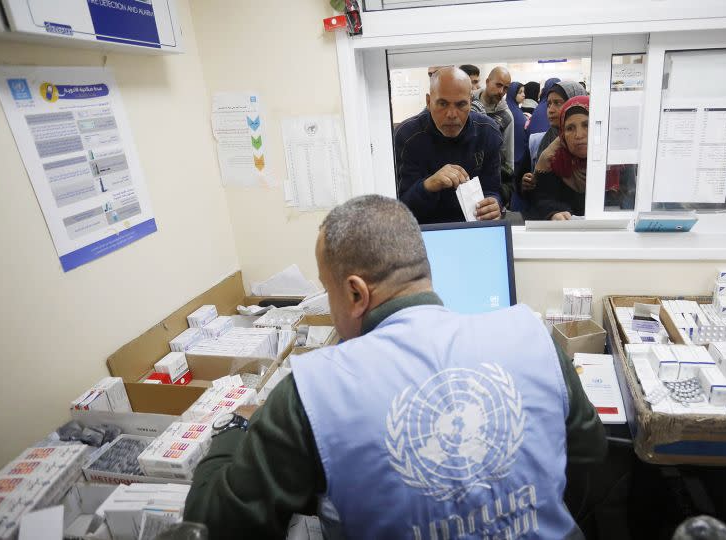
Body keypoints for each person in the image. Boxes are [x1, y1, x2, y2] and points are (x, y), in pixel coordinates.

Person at [183, 195, 610, 539]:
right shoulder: (532, 336)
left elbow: (215, 525)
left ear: (355, 294)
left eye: (327, 291)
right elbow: (590, 452)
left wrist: (235, 430)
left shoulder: (312, 392)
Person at [394, 67, 503, 223]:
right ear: (428, 101)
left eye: (461, 105)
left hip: (473, 230)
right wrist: (428, 186)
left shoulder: (488, 132)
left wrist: (493, 203)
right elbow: (401, 209)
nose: (451, 115)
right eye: (442, 104)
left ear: (471, 102)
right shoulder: (407, 136)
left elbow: (493, 188)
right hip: (424, 231)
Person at [513, 81, 588, 212]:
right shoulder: (538, 143)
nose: (551, 110)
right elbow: (537, 197)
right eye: (548, 104)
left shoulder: (602, 153)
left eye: (558, 103)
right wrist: (525, 185)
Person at [527, 96, 591, 220]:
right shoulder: (551, 160)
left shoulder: (614, 163)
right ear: (562, 133)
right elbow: (541, 201)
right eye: (570, 128)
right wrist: (553, 213)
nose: (579, 135)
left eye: (586, 125)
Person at [472, 66, 515, 201]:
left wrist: (505, 191)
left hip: (490, 180)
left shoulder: (507, 116)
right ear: (487, 81)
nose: (501, 91)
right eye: (498, 85)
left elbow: (508, 157)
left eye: (506, 88)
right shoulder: (467, 103)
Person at [506, 82, 529, 173]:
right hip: (515, 157)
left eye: (524, 92)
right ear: (513, 93)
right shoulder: (512, 111)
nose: (523, 95)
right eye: (520, 92)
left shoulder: (515, 109)